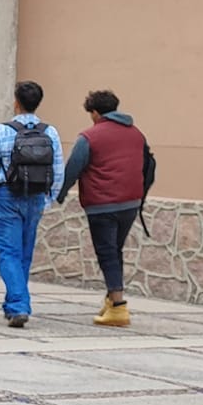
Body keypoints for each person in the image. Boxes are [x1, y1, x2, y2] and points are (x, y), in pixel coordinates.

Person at [0, 81, 64, 328]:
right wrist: (48, 199)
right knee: (24, 253)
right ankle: (13, 304)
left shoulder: (3, 131)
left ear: (16, 102)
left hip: (7, 196)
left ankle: (19, 305)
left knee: (8, 253)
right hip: (35, 198)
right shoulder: (50, 132)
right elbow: (58, 171)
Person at [57, 91, 154, 327]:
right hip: (130, 203)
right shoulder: (136, 134)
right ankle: (111, 301)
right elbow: (148, 165)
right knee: (115, 251)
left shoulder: (89, 137)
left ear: (95, 113)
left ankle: (119, 308)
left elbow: (73, 169)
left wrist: (58, 194)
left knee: (107, 253)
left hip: (102, 204)